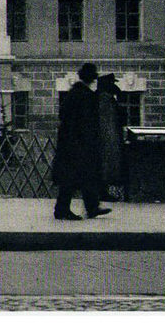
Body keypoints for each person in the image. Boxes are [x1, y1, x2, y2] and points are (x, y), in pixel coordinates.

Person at [52, 63, 111, 220]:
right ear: (92, 79)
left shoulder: (74, 93)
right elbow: (87, 123)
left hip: (70, 143)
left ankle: (91, 207)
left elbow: (63, 116)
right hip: (79, 144)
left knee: (81, 176)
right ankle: (63, 210)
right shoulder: (86, 96)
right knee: (74, 177)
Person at [96, 73, 124, 202]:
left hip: (105, 138)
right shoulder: (104, 100)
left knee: (103, 166)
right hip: (106, 139)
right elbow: (108, 122)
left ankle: (102, 192)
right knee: (104, 166)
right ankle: (102, 193)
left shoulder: (102, 98)